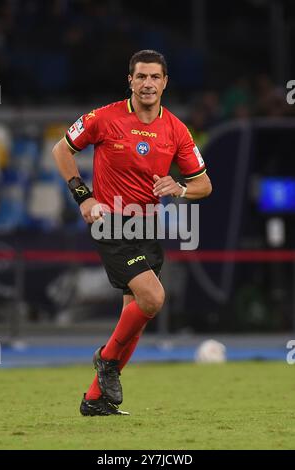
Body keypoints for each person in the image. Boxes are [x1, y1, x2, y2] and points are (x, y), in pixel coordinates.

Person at [52, 49, 212, 416]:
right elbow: (61, 150)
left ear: (165, 82)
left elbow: (204, 184)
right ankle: (105, 360)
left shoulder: (176, 129)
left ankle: (95, 399)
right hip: (112, 221)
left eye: (155, 77)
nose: (148, 84)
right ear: (130, 81)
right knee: (153, 298)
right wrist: (84, 197)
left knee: (138, 315)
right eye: (141, 77)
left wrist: (181, 188)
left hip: (149, 225)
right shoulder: (103, 118)